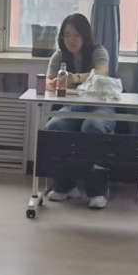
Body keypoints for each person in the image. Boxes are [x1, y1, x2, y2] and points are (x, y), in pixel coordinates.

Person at [45, 13, 116, 210]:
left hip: (101, 104)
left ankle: (98, 191)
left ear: (85, 35)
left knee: (93, 126)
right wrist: (55, 83)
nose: (71, 40)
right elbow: (49, 80)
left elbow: (101, 72)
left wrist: (75, 78)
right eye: (67, 35)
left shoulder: (98, 51)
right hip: (73, 105)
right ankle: (65, 186)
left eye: (76, 35)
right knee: (54, 126)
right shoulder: (59, 55)